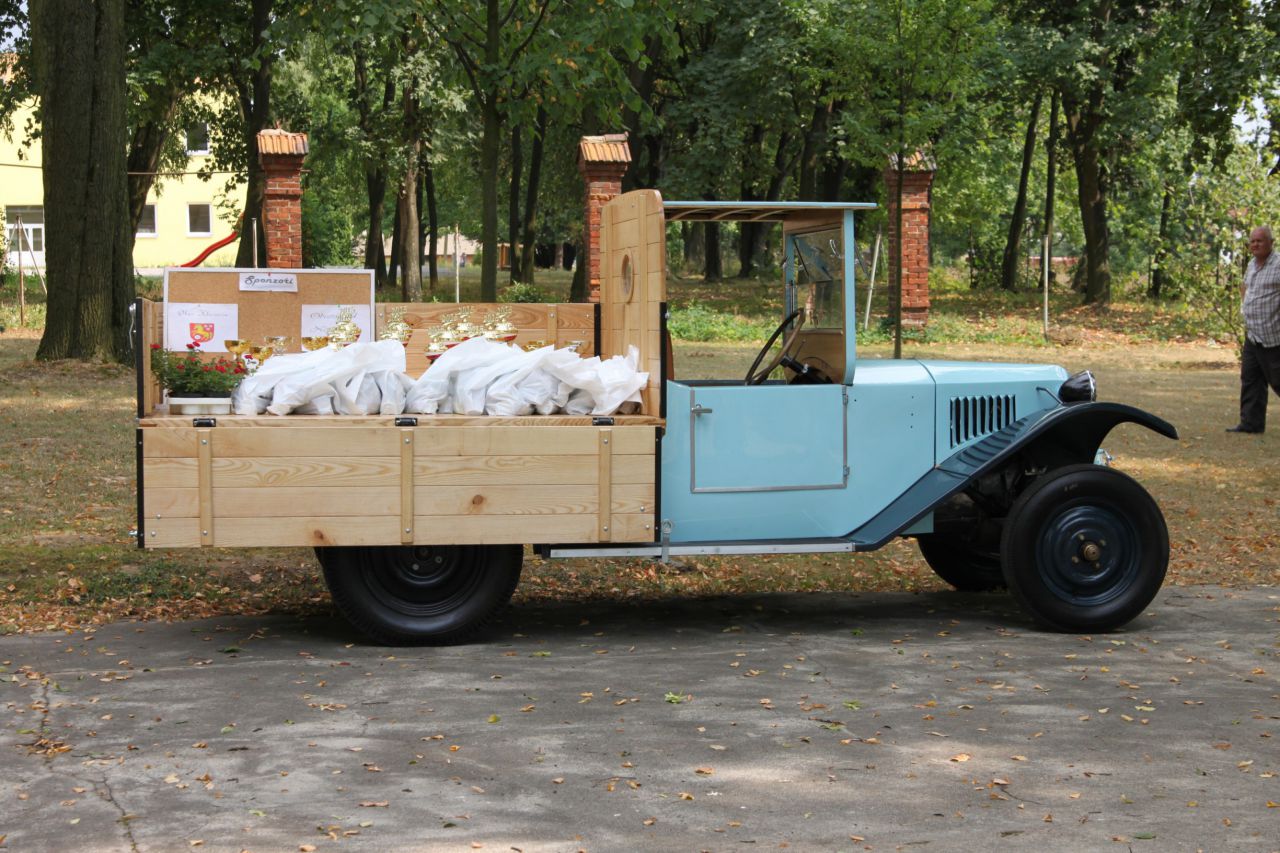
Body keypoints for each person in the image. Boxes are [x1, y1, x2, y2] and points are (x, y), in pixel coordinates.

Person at [1227, 226, 1280, 434]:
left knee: (1278, 381)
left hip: (1274, 337)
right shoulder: (1251, 264)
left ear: (1271, 243)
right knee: (1251, 379)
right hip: (1253, 334)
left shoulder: (1278, 264)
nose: (1255, 244)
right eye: (1253, 241)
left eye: (1260, 241)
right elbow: (1247, 288)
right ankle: (1251, 423)